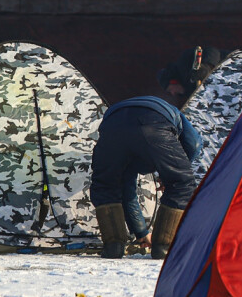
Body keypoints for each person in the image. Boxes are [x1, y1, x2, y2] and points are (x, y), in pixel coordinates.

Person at [90, 94, 203, 260]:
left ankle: (113, 246)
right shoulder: (174, 114)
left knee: (105, 185)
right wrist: (174, 172)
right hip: (155, 122)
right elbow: (194, 143)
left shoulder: (128, 159)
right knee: (182, 183)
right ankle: (164, 246)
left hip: (112, 126)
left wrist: (142, 233)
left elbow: (126, 193)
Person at [156, 45, 222, 103]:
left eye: (170, 89)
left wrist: (207, 67)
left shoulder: (184, 62)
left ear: (173, 81)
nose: (173, 93)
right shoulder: (190, 93)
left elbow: (212, 51)